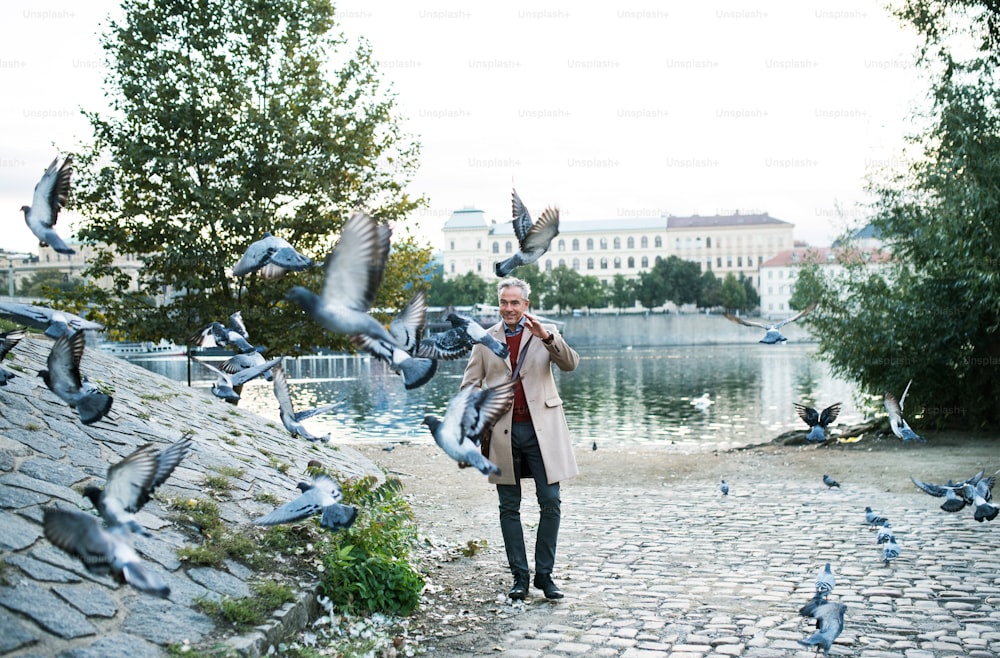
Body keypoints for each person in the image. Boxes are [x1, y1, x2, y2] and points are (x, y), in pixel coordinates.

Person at [460, 277, 580, 600]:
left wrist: (548, 337)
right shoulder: (485, 340)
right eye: (504, 303)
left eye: (515, 303)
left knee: (551, 500)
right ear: (498, 305)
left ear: (526, 304)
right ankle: (520, 577)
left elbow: (570, 363)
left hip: (544, 432)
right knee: (508, 506)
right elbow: (469, 385)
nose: (509, 309)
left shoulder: (545, 331)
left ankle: (544, 574)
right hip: (503, 433)